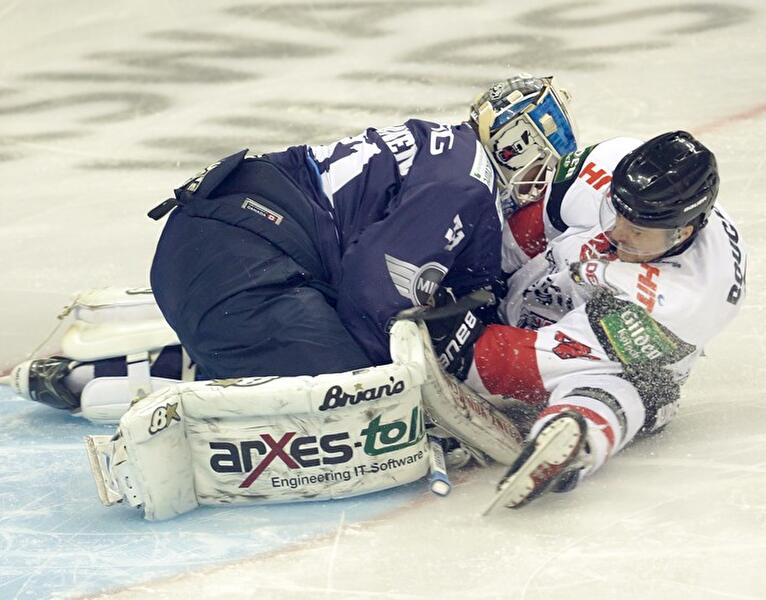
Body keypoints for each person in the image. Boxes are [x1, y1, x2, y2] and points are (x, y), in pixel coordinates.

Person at [5, 74, 580, 414]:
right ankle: (131, 386)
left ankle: (87, 373)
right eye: (541, 157)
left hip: (215, 250)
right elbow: (375, 295)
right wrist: (447, 374)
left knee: (326, 340)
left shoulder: (445, 148)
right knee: (368, 391)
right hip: (240, 267)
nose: (541, 177)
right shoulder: (465, 182)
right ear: (514, 145)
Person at [428, 130, 747, 510]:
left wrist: (452, 344)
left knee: (636, 390)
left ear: (683, 232)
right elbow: (534, 224)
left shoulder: (681, 303)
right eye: (615, 211)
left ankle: (577, 441)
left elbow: (533, 362)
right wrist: (471, 274)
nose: (615, 232)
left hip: (634, 356)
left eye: (637, 230)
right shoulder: (608, 165)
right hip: (557, 287)